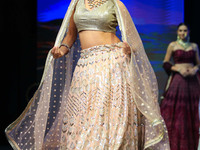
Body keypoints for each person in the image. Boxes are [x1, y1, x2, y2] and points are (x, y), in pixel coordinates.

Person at [5, 0, 170, 149]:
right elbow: (70, 37)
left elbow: (134, 42)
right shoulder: (76, 3)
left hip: (112, 63)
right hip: (85, 67)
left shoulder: (115, 4)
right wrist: (61, 51)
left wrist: (128, 49)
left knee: (108, 117)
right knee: (81, 119)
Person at [160, 23, 200, 150]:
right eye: (180, 30)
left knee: (193, 109)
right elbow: (165, 62)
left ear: (188, 31)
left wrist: (195, 69)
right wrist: (176, 68)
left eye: (185, 30)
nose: (183, 33)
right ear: (177, 32)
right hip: (178, 80)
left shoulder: (194, 46)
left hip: (192, 81)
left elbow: (198, 63)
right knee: (177, 110)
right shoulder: (173, 45)